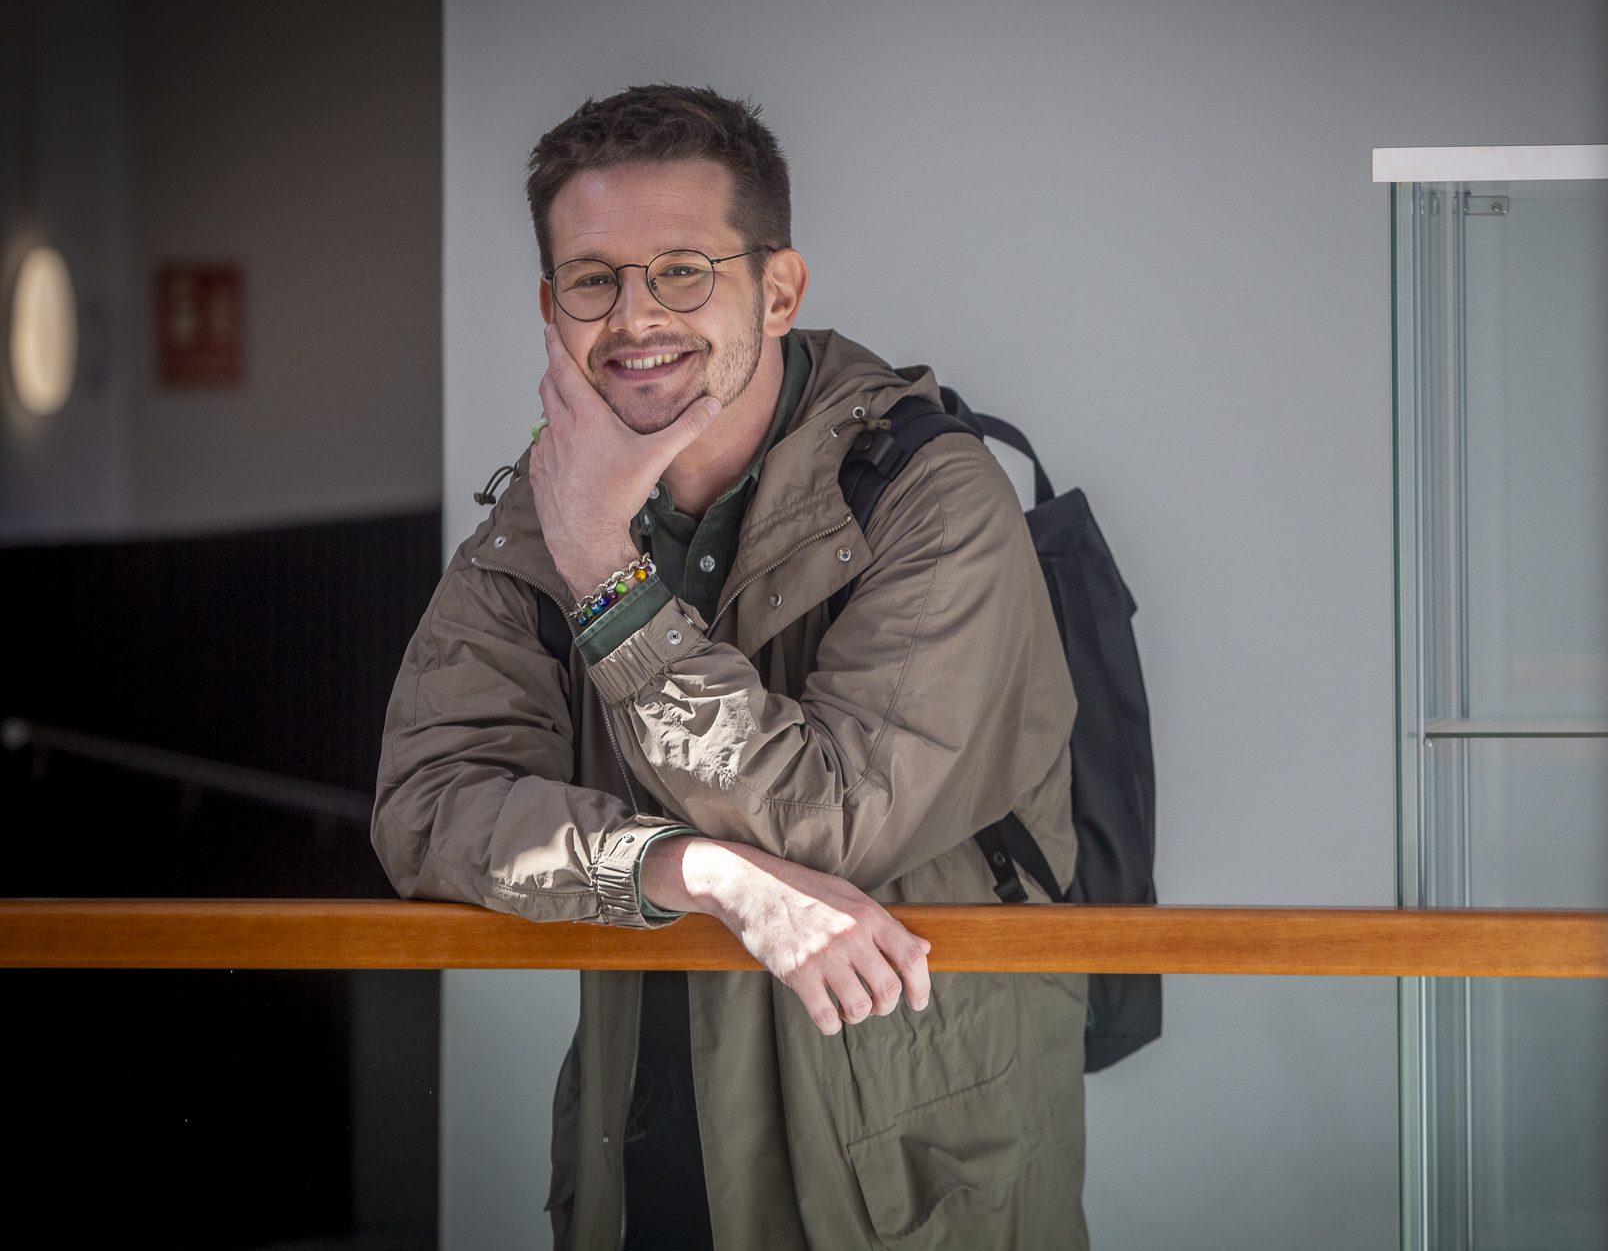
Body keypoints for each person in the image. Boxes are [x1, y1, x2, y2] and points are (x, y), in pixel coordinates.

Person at [373, 84, 1085, 1251]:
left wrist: (606, 574)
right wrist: (690, 869)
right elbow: (427, 803)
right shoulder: (549, 513)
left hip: (896, 1176)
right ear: (550, 307)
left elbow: (833, 819)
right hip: (643, 1154)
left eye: (682, 270)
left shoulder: (932, 494)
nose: (634, 316)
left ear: (779, 288)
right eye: (592, 278)